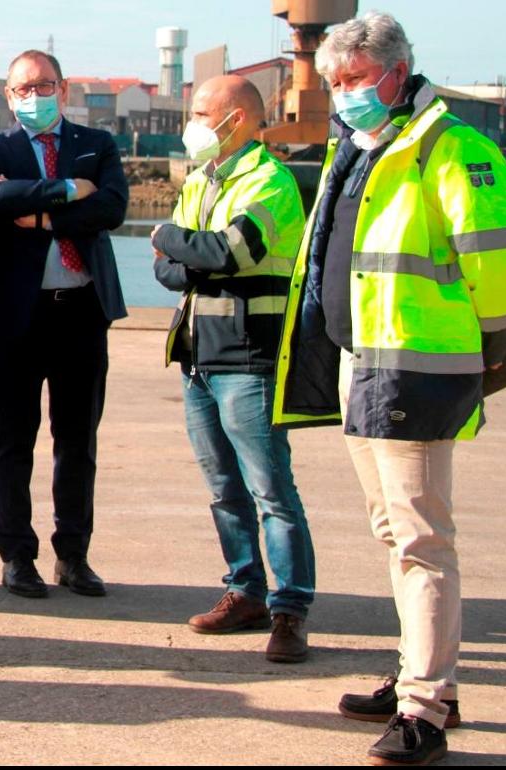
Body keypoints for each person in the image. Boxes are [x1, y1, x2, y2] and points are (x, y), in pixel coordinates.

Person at [271, 12, 506, 765]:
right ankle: (421, 673)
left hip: (418, 367)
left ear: (396, 70)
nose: (345, 95)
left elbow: (502, 266)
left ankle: (426, 707)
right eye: (335, 84)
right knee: (394, 532)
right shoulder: (362, 147)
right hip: (367, 364)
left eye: (354, 81)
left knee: (422, 539)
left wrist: (487, 348)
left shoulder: (451, 149)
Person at [150, 75, 314, 663]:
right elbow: (168, 270)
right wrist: (185, 253)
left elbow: (228, 252)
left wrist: (170, 237)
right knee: (223, 489)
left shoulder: (271, 182)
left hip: (250, 358)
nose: (190, 124)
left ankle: (290, 610)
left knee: (270, 489)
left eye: (198, 113)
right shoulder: (200, 180)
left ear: (236, 119)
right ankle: (243, 591)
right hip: (197, 357)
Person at [0, 50, 128, 598]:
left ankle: (74, 554)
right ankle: (17, 555)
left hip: (82, 308)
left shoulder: (96, 145)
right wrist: (65, 191)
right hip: (17, 314)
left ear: (63, 89)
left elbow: (110, 208)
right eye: (22, 89)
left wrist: (37, 215)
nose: (33, 97)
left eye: (43, 86)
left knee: (77, 439)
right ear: (9, 96)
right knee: (13, 438)